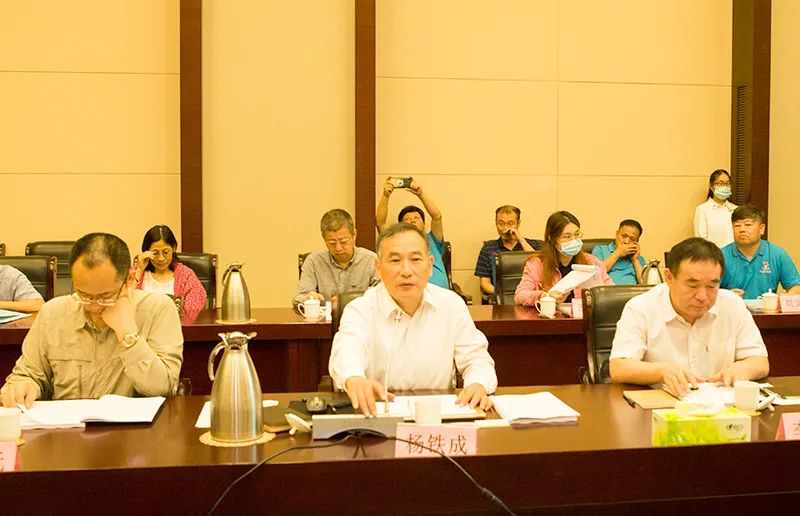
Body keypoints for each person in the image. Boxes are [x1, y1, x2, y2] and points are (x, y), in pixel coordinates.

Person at [329, 223, 497, 416]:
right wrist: (354, 378)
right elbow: (347, 351)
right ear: (378, 267)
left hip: (438, 416)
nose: (406, 271)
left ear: (430, 265)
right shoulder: (360, 309)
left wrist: (478, 384)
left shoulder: (451, 304)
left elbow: (476, 358)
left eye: (416, 259)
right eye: (395, 260)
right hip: (378, 414)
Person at [1, 232, 184, 407]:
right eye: (84, 294)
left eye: (105, 296)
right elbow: (27, 374)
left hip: (134, 427)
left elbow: (162, 387)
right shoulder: (53, 313)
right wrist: (22, 387)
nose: (94, 306)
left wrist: (128, 333)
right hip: (67, 426)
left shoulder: (157, 309)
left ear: (128, 279)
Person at [609, 237, 769, 398]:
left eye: (711, 286)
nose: (702, 296)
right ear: (669, 277)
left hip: (720, 405)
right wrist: (662, 371)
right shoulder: (641, 307)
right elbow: (618, 368)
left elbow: (759, 361)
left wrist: (741, 369)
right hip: (660, 405)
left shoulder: (732, 305)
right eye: (693, 285)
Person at [514, 211, 612, 306]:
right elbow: (520, 295)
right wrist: (545, 296)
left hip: (583, 315)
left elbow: (611, 291)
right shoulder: (536, 264)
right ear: (551, 238)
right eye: (567, 237)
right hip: (550, 315)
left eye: (577, 234)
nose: (574, 240)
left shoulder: (591, 261)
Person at [294, 209, 378, 306]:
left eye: (343, 242)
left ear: (354, 235)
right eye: (332, 243)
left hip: (361, 314)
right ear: (324, 239)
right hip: (325, 315)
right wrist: (309, 298)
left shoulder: (371, 260)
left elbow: (383, 295)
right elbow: (299, 297)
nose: (338, 248)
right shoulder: (314, 261)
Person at [376, 178, 449, 289]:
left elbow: (437, 216)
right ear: (401, 225)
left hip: (440, 294)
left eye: (416, 218)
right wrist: (385, 196)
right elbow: (380, 223)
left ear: (424, 225)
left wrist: (420, 194)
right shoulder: (394, 242)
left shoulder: (432, 239)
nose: (412, 221)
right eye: (407, 219)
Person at [720, 204, 800, 299]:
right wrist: (726, 295)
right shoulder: (720, 256)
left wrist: (780, 300)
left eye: (748, 225)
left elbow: (795, 287)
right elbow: (708, 290)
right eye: (737, 225)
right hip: (731, 307)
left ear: (761, 228)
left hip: (766, 308)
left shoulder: (777, 254)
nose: (742, 229)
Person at [132, 225, 207, 319]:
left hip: (176, 327)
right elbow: (122, 301)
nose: (161, 258)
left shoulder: (186, 276)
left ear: (174, 248)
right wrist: (139, 270)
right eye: (155, 253)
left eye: (165, 252)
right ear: (146, 251)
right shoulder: (136, 271)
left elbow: (191, 314)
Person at [474, 205, 543, 297]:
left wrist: (520, 239)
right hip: (501, 300)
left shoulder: (533, 245)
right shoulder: (487, 249)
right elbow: (485, 284)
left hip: (530, 298)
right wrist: (506, 294)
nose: (505, 228)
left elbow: (539, 268)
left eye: (510, 224)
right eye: (501, 223)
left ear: (518, 223)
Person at [591, 219, 647, 286]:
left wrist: (635, 260)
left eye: (632, 239)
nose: (626, 241)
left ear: (636, 242)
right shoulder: (600, 250)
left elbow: (645, 284)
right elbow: (595, 275)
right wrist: (618, 253)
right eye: (624, 236)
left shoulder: (639, 259)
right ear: (617, 234)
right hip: (606, 291)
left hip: (630, 292)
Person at [694, 169, 737, 247]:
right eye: (720, 183)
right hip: (713, 253)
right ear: (711, 186)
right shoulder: (703, 209)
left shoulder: (735, 209)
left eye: (728, 183)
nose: (725, 186)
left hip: (734, 253)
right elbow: (700, 241)